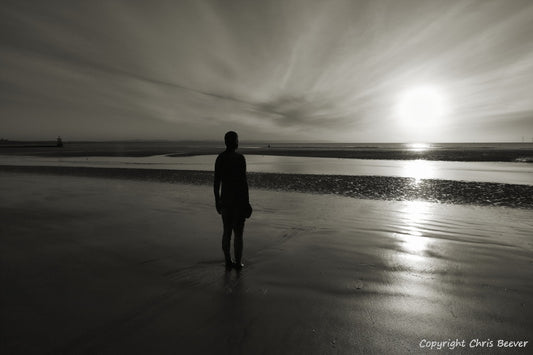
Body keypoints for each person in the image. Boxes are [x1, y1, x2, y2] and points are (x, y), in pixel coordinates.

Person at [214, 131, 250, 271]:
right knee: (238, 233)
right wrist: (247, 203)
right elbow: (243, 183)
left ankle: (228, 261)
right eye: (237, 139)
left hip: (225, 201)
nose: (238, 141)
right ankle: (238, 262)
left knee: (227, 231)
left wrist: (217, 200)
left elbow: (216, 183)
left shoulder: (220, 158)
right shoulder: (240, 158)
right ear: (234, 142)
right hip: (238, 202)